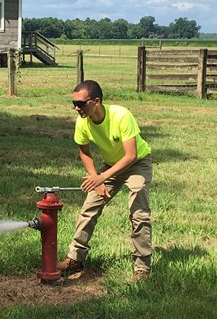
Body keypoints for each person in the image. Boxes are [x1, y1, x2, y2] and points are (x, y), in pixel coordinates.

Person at [57, 80, 153, 282]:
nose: (76, 108)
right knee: (88, 208)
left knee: (138, 212)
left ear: (96, 101)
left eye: (81, 103)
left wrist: (102, 177)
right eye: (74, 103)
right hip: (110, 166)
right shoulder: (82, 122)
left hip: (137, 163)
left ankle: (142, 268)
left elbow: (131, 155)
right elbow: (84, 152)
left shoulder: (121, 115)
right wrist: (96, 179)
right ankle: (75, 259)